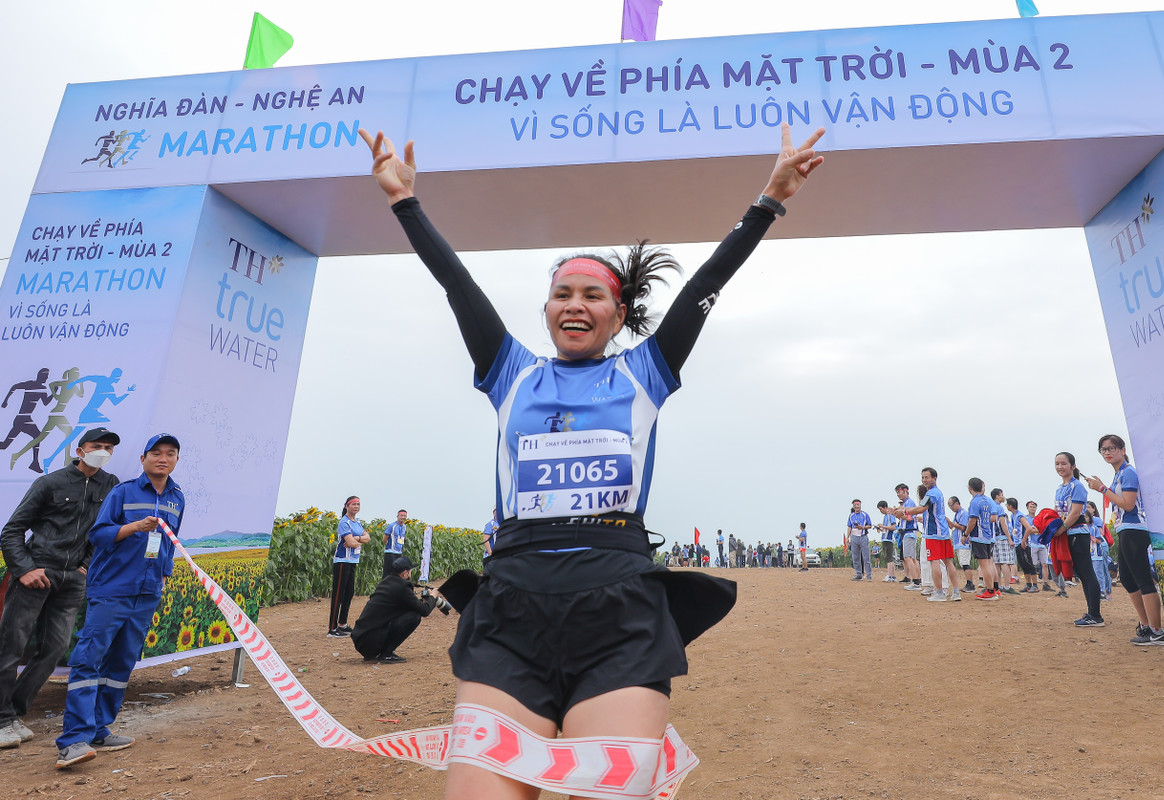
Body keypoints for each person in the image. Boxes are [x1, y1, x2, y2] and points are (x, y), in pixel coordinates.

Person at [360, 120, 824, 799]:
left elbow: (707, 282)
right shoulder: (510, 372)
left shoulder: (645, 373)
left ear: (619, 313)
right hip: (512, 610)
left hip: (619, 615)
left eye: (592, 295)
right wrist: (405, 203)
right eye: (562, 294)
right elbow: (457, 284)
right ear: (546, 309)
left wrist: (769, 202)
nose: (575, 305)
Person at [54, 433, 184, 768]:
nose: (163, 458)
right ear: (143, 459)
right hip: (112, 589)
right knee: (88, 660)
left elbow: (170, 542)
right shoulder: (122, 492)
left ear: (176, 460)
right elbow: (98, 534)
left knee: (122, 662)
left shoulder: (176, 498)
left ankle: (99, 730)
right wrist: (135, 527)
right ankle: (73, 740)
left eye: (170, 454)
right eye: (156, 453)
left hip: (147, 593)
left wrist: (164, 575)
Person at [0, 427, 122, 750]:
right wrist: (25, 570)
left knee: (54, 649)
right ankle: (1, 719)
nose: (103, 451)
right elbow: (11, 531)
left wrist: (84, 567)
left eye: (108, 447)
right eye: (97, 446)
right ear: (80, 451)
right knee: (11, 646)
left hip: (72, 581)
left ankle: (13, 714)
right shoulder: (50, 483)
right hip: (37, 573)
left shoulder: (110, 485)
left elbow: (104, 530)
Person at [1085, 434, 1164, 645]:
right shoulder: (1119, 474)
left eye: (1112, 448)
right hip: (1126, 529)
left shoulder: (1129, 472)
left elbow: (1129, 505)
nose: (1107, 452)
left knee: (1142, 579)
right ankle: (1146, 625)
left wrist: (1102, 489)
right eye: (1103, 449)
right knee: (1129, 580)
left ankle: (1157, 631)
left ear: (1122, 450)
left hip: (1135, 529)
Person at [351, 556, 441, 663]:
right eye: (410, 571)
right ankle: (386, 654)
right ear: (405, 574)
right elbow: (424, 611)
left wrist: (424, 600)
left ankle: (380, 653)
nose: (411, 574)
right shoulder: (403, 587)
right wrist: (433, 597)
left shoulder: (386, 582)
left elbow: (410, 605)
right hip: (370, 643)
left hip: (362, 640)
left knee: (409, 612)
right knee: (414, 617)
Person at [893, 468, 960, 602]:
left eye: (927, 477)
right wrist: (904, 510)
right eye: (923, 477)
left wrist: (904, 511)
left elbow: (922, 508)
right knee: (948, 561)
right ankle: (956, 591)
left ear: (934, 478)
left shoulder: (931, 493)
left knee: (934, 561)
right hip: (943, 532)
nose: (924, 480)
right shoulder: (937, 492)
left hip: (933, 533)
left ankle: (939, 592)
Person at [1054, 452, 1104, 627]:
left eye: (1064, 463)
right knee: (1083, 575)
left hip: (1078, 534)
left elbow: (1075, 513)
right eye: (1057, 463)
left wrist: (1061, 529)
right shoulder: (1060, 488)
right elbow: (1059, 513)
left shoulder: (1077, 486)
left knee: (1087, 573)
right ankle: (1091, 612)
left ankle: (1095, 615)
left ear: (1073, 466)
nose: (1060, 467)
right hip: (1068, 534)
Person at [329, 496, 369, 637]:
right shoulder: (344, 522)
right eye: (353, 504)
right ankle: (332, 628)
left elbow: (367, 538)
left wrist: (357, 538)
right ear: (347, 506)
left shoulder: (357, 523)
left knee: (349, 592)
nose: (356, 506)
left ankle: (343, 624)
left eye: (358, 504)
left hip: (353, 560)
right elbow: (350, 543)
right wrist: (358, 540)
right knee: (338, 594)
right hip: (342, 561)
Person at [964, 478, 999, 600]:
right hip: (989, 536)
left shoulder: (975, 502)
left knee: (984, 566)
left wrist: (965, 534)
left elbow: (972, 521)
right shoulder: (989, 501)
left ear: (970, 488)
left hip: (979, 537)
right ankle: (994, 589)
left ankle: (990, 591)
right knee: (990, 563)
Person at [1008, 498, 1040, 593]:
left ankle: (1035, 585)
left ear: (1010, 506)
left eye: (1007, 505)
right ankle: (1028, 584)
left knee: (1029, 563)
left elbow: (1029, 528)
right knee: (1023, 564)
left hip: (1024, 543)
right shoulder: (1013, 515)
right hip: (1017, 543)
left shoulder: (1020, 515)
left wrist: (1024, 540)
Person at [894, 484, 921, 588]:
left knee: (907, 558)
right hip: (910, 533)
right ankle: (917, 579)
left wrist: (899, 514)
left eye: (899, 492)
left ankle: (915, 582)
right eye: (897, 493)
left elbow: (909, 518)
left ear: (906, 491)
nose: (898, 494)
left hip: (909, 532)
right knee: (913, 558)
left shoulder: (909, 502)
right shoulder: (907, 503)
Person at [947, 495, 974, 592]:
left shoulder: (963, 513)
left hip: (963, 543)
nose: (951, 508)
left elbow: (963, 527)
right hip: (958, 543)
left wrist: (950, 522)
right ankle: (969, 583)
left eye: (951, 505)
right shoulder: (957, 514)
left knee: (965, 564)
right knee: (963, 564)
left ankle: (970, 584)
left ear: (957, 503)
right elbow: (954, 527)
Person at [846, 500, 872, 581]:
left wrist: (862, 527)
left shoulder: (865, 514)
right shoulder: (851, 516)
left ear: (860, 506)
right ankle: (858, 574)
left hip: (863, 536)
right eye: (855, 505)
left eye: (858, 505)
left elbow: (870, 525)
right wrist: (847, 537)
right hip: (854, 537)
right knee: (855, 557)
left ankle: (869, 575)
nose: (857, 507)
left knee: (866, 557)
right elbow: (849, 526)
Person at [383, 509, 408, 576]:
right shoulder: (392, 526)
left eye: (405, 516)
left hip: (399, 552)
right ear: (397, 516)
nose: (403, 517)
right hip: (390, 552)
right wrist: (388, 546)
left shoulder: (404, 527)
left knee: (397, 572)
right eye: (401, 515)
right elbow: (385, 538)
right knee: (388, 572)